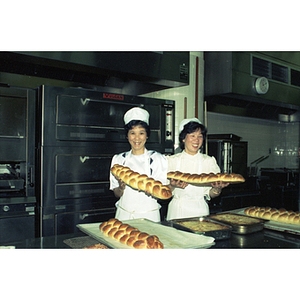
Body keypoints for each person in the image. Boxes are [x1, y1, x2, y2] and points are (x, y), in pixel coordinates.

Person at [109, 107, 168, 222]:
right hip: (123, 215)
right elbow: (116, 193)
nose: (137, 138)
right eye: (132, 133)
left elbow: (161, 192)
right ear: (127, 136)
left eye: (141, 133)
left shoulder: (158, 159)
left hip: (149, 216)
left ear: (147, 135)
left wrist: (152, 193)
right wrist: (121, 188)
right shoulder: (118, 160)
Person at [166, 118, 229, 220]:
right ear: (183, 138)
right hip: (177, 210)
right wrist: (172, 186)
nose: (197, 140)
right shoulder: (171, 161)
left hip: (200, 210)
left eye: (200, 136)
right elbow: (165, 192)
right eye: (192, 136)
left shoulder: (209, 161)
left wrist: (217, 188)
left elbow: (211, 194)